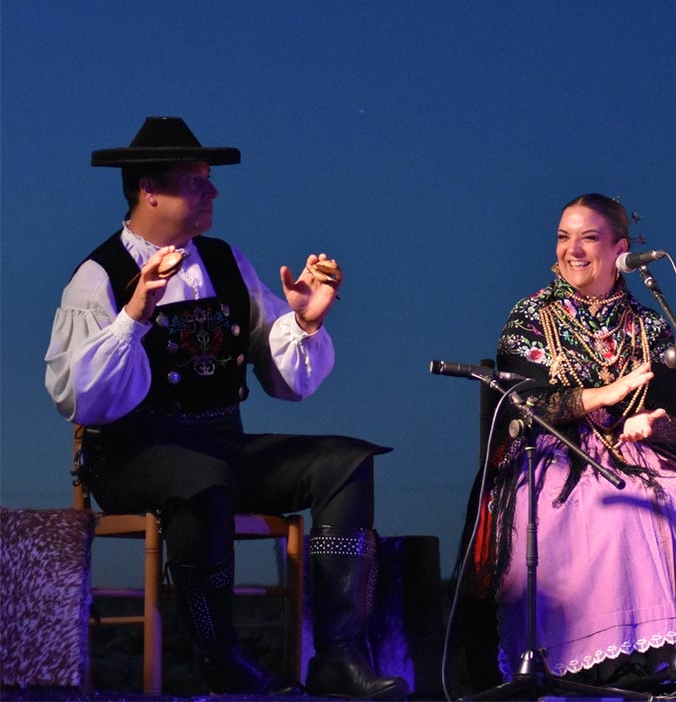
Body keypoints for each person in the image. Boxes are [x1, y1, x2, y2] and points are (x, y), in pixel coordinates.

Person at [44, 116, 408, 700]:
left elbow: (285, 382)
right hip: (132, 453)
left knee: (345, 461)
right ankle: (219, 657)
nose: (212, 192)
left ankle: (340, 654)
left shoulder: (226, 262)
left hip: (222, 442)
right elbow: (83, 399)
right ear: (149, 190)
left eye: (210, 180)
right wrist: (133, 315)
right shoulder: (98, 277)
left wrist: (304, 322)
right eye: (196, 181)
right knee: (203, 482)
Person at [458, 193, 676, 690]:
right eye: (564, 237)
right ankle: (603, 668)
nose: (573, 249)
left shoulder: (653, 325)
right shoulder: (530, 316)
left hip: (639, 456)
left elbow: (673, 423)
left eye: (589, 237)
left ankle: (674, 663)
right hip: (551, 456)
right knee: (609, 513)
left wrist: (655, 424)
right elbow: (522, 406)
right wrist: (603, 395)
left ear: (621, 250)